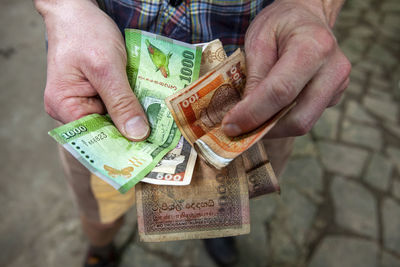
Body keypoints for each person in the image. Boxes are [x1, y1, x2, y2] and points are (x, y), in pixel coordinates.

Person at [33, 0, 351, 266]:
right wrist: (63, 9)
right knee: (102, 209)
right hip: (101, 94)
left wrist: (312, 7)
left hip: (251, 100)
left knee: (223, 205)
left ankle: (216, 233)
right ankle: (102, 246)